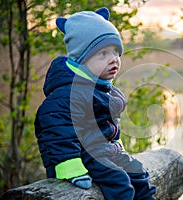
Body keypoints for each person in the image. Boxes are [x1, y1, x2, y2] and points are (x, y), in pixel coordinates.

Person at [34, 7, 156, 200]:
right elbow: (56, 128)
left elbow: (105, 124)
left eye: (116, 52)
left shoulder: (100, 87)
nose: (114, 59)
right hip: (83, 155)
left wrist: (116, 145)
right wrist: (71, 166)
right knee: (120, 182)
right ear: (82, 59)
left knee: (138, 173)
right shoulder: (69, 92)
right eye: (103, 54)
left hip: (103, 151)